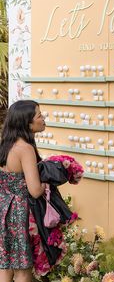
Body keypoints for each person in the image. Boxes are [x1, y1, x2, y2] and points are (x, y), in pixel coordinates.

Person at [0, 100, 46, 282]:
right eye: (39, 115)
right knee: (22, 270)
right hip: (19, 213)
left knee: (5, 266)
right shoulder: (25, 149)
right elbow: (35, 190)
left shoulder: (6, 145)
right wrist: (47, 186)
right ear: (27, 122)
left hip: (3, 208)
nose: (43, 119)